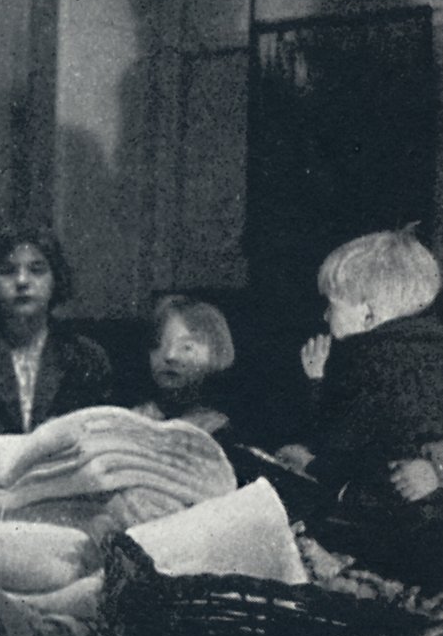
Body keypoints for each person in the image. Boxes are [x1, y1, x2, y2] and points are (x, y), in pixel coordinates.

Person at [276, 227, 443, 589]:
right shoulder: (430, 351)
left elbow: (336, 445)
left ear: (368, 314)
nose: (325, 316)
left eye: (332, 305)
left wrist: (304, 460)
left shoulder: (372, 361)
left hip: (397, 532)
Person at [0, 227, 112, 435]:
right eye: (8, 271)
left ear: (56, 279)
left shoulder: (87, 357)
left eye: (36, 270)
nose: (22, 281)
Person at [131, 294, 236, 436]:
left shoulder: (218, 429)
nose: (170, 355)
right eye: (157, 345)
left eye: (187, 347)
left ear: (215, 352)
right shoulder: (133, 419)